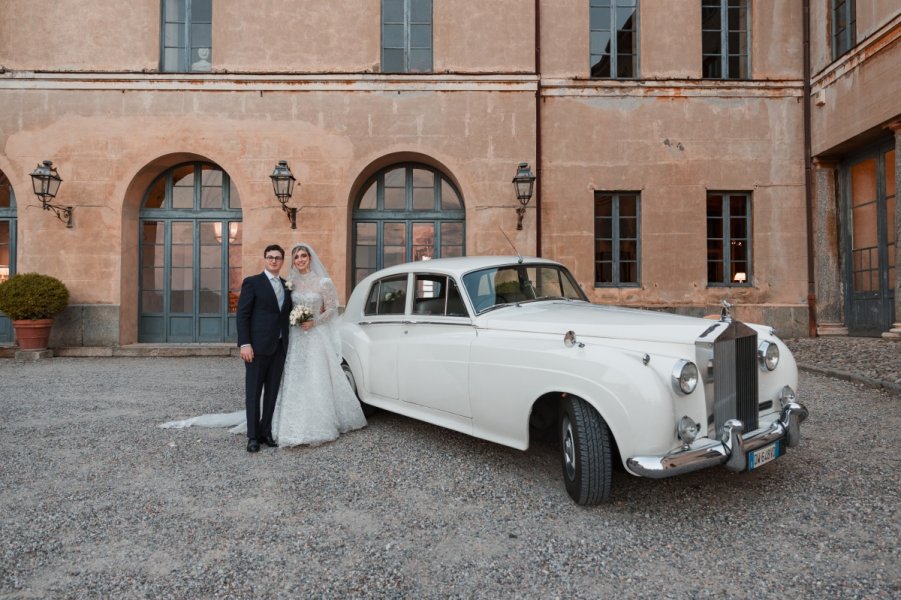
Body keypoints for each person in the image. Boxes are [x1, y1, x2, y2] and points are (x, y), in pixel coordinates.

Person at [271, 243, 367, 446]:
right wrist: (294, 319)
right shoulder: (290, 283)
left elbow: (332, 309)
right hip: (296, 336)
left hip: (316, 334)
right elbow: (286, 307)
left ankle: (320, 423)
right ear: (293, 261)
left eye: (303, 256)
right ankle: (289, 422)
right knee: (295, 376)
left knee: (316, 376)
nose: (300, 260)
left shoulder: (323, 282)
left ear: (310, 258)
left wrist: (315, 321)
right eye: (296, 257)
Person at [236, 244, 292, 452]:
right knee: (253, 392)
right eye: (270, 257)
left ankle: (265, 432)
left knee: (272, 392)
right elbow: (242, 315)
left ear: (282, 260)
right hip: (256, 348)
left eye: (278, 257)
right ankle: (252, 436)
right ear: (265, 259)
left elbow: (289, 314)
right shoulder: (253, 283)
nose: (274, 260)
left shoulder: (287, 286)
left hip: (279, 347)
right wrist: (245, 343)